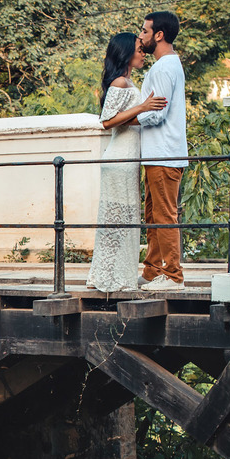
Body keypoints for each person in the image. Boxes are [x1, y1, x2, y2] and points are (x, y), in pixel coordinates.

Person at [87, 33, 166, 293]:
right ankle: (110, 278)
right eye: (139, 50)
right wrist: (143, 108)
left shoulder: (129, 81)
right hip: (119, 159)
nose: (143, 53)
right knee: (118, 221)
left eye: (143, 50)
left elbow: (125, 120)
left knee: (126, 220)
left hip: (128, 159)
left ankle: (119, 277)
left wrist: (143, 112)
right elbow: (107, 120)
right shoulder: (120, 82)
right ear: (125, 53)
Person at [136, 10, 188, 291]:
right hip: (158, 153)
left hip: (164, 153)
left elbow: (157, 112)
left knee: (165, 215)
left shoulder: (164, 68)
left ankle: (173, 275)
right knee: (153, 215)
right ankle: (153, 270)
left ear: (159, 35)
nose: (140, 36)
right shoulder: (167, 66)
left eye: (144, 31)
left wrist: (132, 115)